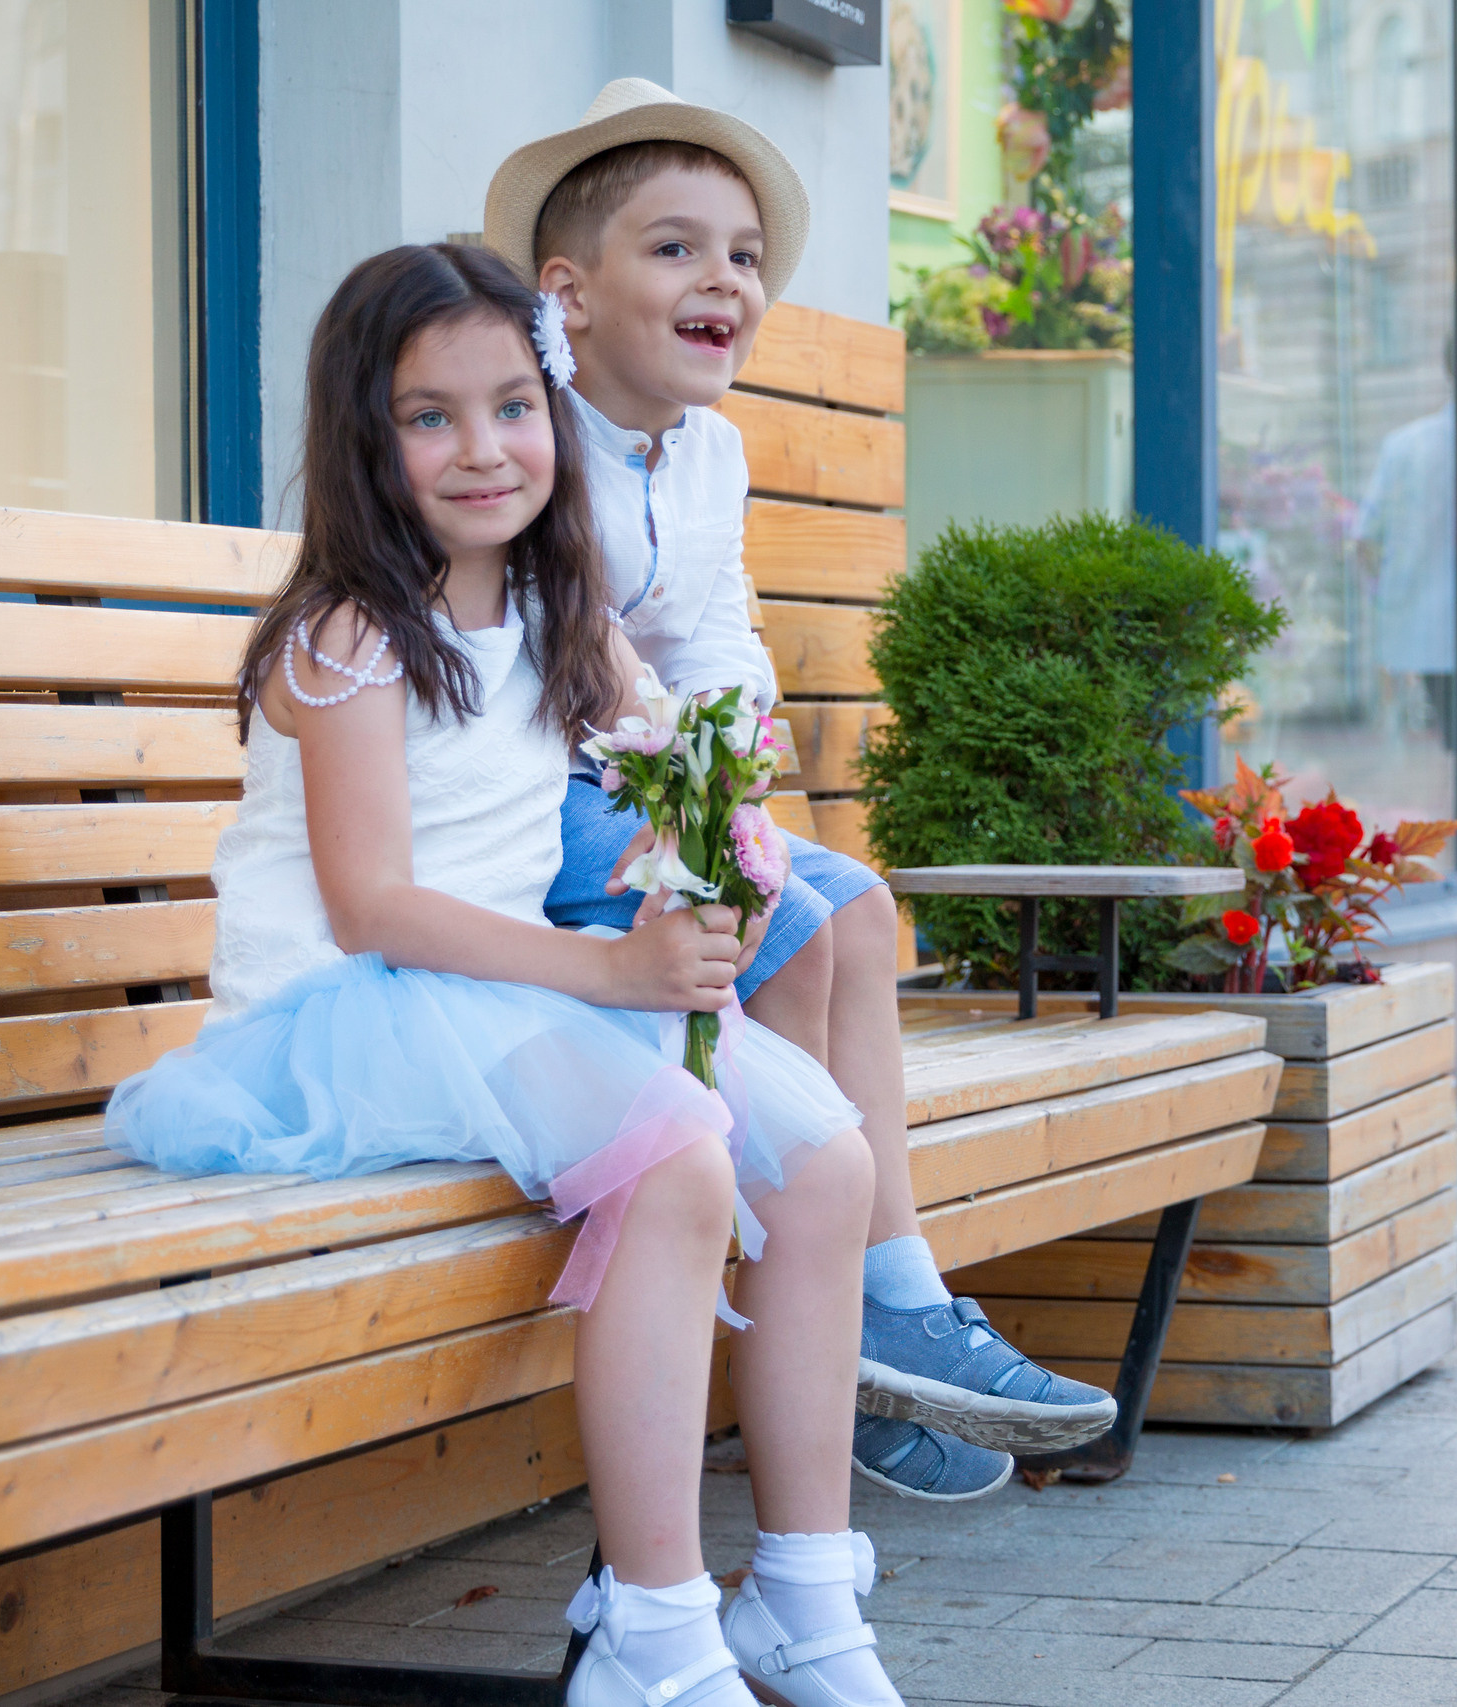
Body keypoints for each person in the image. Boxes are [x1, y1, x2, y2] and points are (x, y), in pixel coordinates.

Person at [107, 243, 904, 1707]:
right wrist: (609, 976)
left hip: (507, 993)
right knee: (676, 1162)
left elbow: (681, 769)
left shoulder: (564, 619)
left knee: (830, 1165)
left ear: (556, 406)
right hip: (341, 1015)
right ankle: (653, 1626)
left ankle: (802, 1591)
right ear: (366, 438)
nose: (483, 450)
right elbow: (373, 911)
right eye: (429, 417)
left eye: (512, 406)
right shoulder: (347, 638)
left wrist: (729, 856)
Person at [484, 80, 1116, 1502]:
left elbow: (719, 624)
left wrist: (731, 726)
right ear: (568, 295)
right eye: (678, 249)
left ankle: (894, 1293)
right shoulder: (522, 438)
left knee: (860, 905)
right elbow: (563, 650)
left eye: (748, 255)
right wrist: (684, 761)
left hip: (646, 787)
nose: (726, 280)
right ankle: (839, 1333)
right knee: (794, 920)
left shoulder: (711, 452)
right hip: (542, 808)